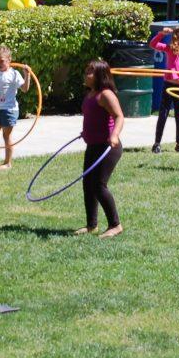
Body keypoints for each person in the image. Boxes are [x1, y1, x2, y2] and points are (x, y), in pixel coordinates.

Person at [77, 60, 124, 238]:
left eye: (90, 72)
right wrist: (86, 132)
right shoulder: (90, 94)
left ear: (99, 75)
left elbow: (119, 116)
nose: (86, 74)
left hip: (108, 147)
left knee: (98, 185)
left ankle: (115, 225)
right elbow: (93, 117)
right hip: (93, 145)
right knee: (88, 184)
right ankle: (91, 225)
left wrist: (114, 134)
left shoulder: (106, 94)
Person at [0, 46, 32, 170]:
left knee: (6, 136)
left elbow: (24, 89)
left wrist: (27, 75)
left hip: (9, 110)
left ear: (9, 60)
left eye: (2, 61)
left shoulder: (14, 73)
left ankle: (7, 163)